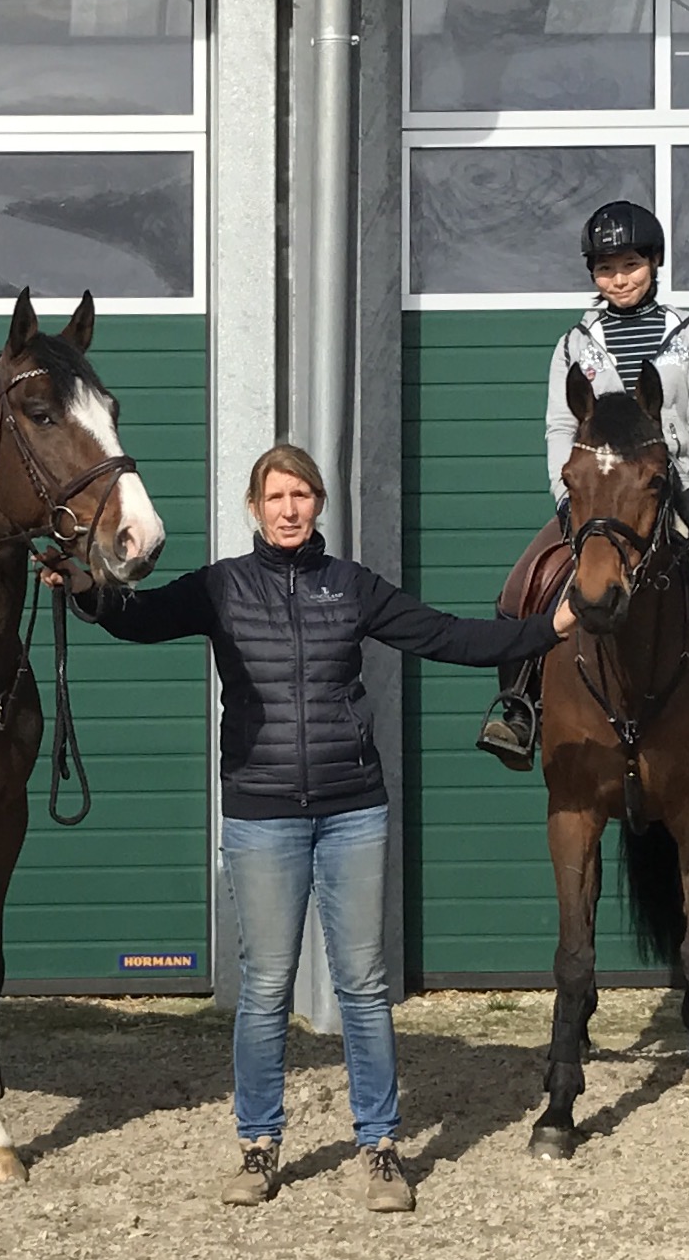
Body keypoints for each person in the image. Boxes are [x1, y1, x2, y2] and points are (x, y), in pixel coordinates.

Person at [65, 443, 569, 1212]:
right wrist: (85, 591)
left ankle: (379, 1146)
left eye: (303, 494)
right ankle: (259, 1145)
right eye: (277, 496)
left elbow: (450, 637)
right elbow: (138, 619)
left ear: (320, 504)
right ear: (255, 507)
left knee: (363, 986)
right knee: (265, 988)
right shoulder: (221, 587)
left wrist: (552, 626)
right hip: (261, 814)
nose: (290, 508)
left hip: (353, 810)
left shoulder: (352, 587)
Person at [477, 199, 689, 772]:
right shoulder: (575, 342)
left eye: (630, 264)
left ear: (654, 263)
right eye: (605, 268)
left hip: (671, 496)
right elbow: (559, 426)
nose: (618, 278)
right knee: (518, 587)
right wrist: (564, 496)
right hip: (597, 499)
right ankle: (519, 705)